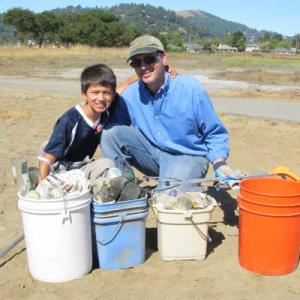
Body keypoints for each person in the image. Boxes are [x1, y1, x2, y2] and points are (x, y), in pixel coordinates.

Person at [101, 35, 235, 191]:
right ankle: (125, 187)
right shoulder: (130, 95)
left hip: (188, 157)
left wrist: (219, 164)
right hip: (153, 156)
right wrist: (125, 84)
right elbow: (112, 126)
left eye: (149, 59)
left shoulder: (191, 89)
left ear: (164, 58)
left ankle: (172, 187)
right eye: (136, 63)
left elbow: (214, 133)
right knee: (111, 133)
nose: (143, 67)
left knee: (167, 201)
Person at [39, 63, 130, 181]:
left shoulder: (105, 113)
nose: (101, 98)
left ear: (112, 95)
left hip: (81, 165)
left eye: (106, 93)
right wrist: (43, 186)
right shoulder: (70, 120)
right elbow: (48, 158)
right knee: (47, 148)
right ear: (84, 94)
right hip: (60, 167)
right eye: (95, 92)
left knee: (108, 166)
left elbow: (125, 85)